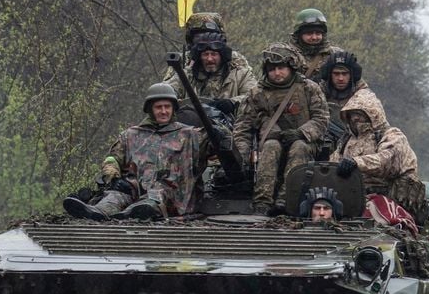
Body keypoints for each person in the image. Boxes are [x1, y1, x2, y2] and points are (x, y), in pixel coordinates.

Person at [64, 83, 209, 221]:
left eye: (167, 107)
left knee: (153, 199)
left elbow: (215, 143)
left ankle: (137, 212)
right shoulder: (131, 135)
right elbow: (113, 159)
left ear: (173, 109)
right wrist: (113, 176)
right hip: (134, 189)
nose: (164, 111)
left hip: (172, 195)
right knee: (116, 195)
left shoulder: (190, 135)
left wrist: (215, 123)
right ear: (150, 109)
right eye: (159, 107)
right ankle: (99, 211)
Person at [233, 43, 329, 215]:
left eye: (281, 68)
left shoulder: (309, 88)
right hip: (270, 142)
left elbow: (321, 119)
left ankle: (287, 199)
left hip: (305, 142)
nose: (277, 73)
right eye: (272, 69)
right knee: (271, 146)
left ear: (291, 67)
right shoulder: (257, 93)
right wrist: (241, 155)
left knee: (299, 147)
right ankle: (262, 202)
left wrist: (301, 133)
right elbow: (243, 126)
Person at [330, 88, 427, 222]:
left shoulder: (391, 135)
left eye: (360, 113)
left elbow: (387, 161)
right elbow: (333, 165)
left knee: (376, 217)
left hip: (387, 197)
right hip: (352, 196)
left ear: (373, 114)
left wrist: (356, 162)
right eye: (352, 114)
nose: (355, 117)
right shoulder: (346, 140)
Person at [164, 12, 254, 112]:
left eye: (211, 35)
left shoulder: (237, 66)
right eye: (199, 37)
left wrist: (232, 103)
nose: (210, 59)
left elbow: (253, 95)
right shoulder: (183, 64)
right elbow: (165, 92)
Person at [289, 8, 343, 82]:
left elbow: (359, 85)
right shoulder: (288, 56)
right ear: (299, 34)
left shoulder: (336, 54)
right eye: (309, 33)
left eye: (318, 33)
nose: (314, 37)